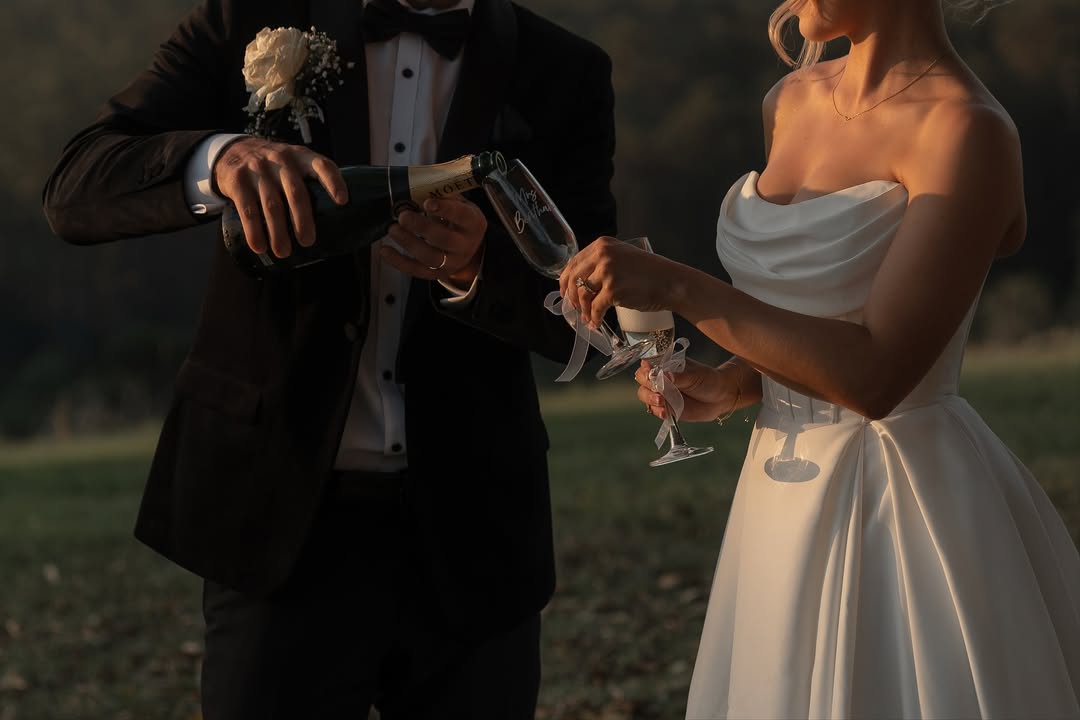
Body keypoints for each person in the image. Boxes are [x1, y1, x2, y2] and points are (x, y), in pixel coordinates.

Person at [42, 0, 617, 717]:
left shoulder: (566, 68)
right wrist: (219, 157)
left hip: (475, 531)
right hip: (279, 526)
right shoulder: (248, 18)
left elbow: (596, 311)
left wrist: (481, 268)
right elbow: (74, 189)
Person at [559, 0, 1080, 717]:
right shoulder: (789, 101)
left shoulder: (967, 130)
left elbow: (879, 373)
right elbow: (817, 319)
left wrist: (679, 286)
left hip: (900, 510)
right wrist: (735, 381)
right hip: (777, 501)